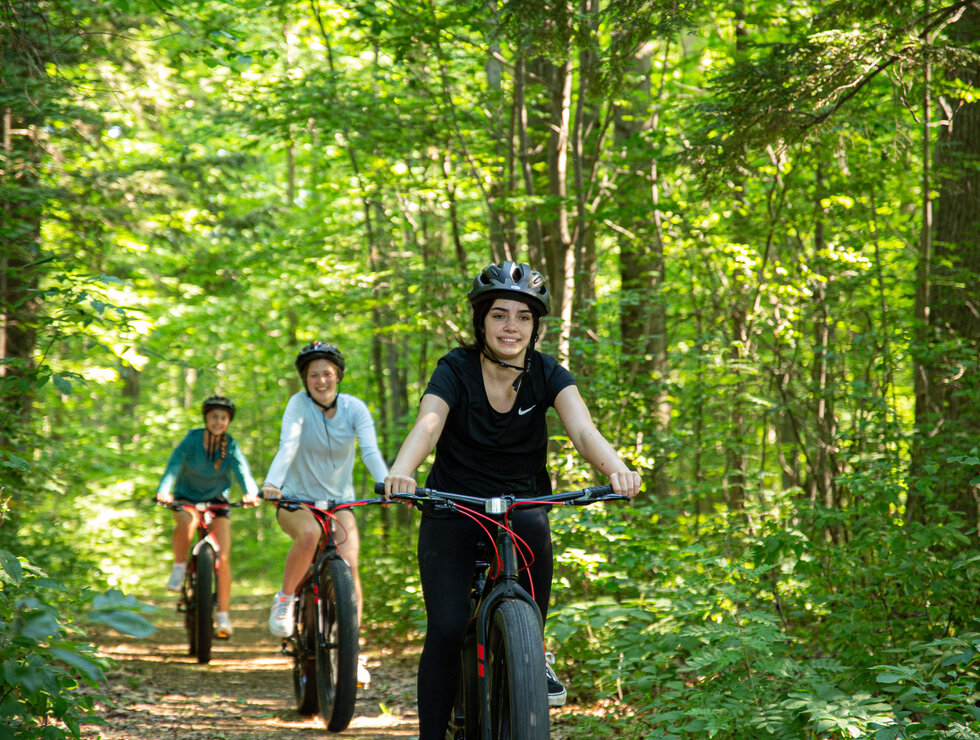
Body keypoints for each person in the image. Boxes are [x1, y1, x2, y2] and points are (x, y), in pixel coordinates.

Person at [384, 260, 642, 737]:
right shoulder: (455, 369)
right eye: (500, 314)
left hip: (521, 506)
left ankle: (531, 650)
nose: (511, 326)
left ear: (536, 326)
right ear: (481, 321)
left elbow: (583, 430)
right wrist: (403, 470)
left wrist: (617, 470)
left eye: (523, 317)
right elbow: (429, 422)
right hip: (453, 505)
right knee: (445, 627)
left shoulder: (548, 373)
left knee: (533, 527)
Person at [262, 340, 388, 683]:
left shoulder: (355, 409)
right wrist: (273, 483)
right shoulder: (298, 405)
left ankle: (352, 652)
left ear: (338, 376)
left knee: (349, 562)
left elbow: (371, 452)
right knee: (309, 535)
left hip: (339, 503)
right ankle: (286, 599)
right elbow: (288, 445)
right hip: (297, 500)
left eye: (327, 374)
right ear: (305, 379)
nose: (321, 380)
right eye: (314, 375)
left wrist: (388, 484)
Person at [156, 394, 260, 639]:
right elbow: (173, 465)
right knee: (188, 521)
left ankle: (223, 616)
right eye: (214, 417)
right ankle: (180, 567)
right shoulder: (192, 440)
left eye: (223, 418)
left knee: (223, 556)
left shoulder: (230, 444)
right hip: (186, 497)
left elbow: (242, 470)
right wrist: (164, 489)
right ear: (206, 418)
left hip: (216, 500)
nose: (218, 421)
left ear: (228, 422)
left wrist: (250, 492)